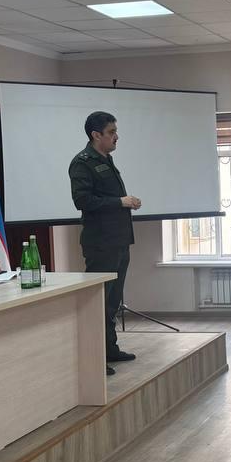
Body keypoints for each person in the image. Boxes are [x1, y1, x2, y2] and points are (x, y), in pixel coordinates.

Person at [70, 111, 142, 375]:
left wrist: (125, 202)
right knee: (98, 302)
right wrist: (120, 201)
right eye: (111, 132)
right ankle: (95, 357)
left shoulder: (106, 159)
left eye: (115, 131)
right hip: (101, 243)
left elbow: (107, 198)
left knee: (112, 301)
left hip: (119, 240)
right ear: (96, 135)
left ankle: (109, 348)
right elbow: (83, 201)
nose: (116, 136)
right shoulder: (82, 163)